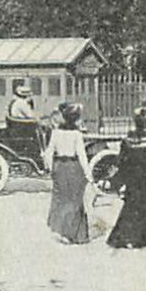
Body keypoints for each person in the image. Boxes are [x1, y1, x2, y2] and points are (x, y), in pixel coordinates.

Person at [109, 107, 146, 250]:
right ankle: (140, 238)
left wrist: (116, 178)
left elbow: (120, 160)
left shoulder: (127, 140)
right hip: (145, 178)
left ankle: (123, 236)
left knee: (130, 205)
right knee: (143, 206)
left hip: (130, 177)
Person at [45, 103, 94, 244]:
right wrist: (88, 173)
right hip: (73, 167)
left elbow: (49, 150)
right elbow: (82, 155)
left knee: (61, 198)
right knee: (75, 200)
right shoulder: (77, 134)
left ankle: (60, 229)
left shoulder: (56, 132)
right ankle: (73, 234)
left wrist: (49, 167)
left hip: (59, 166)